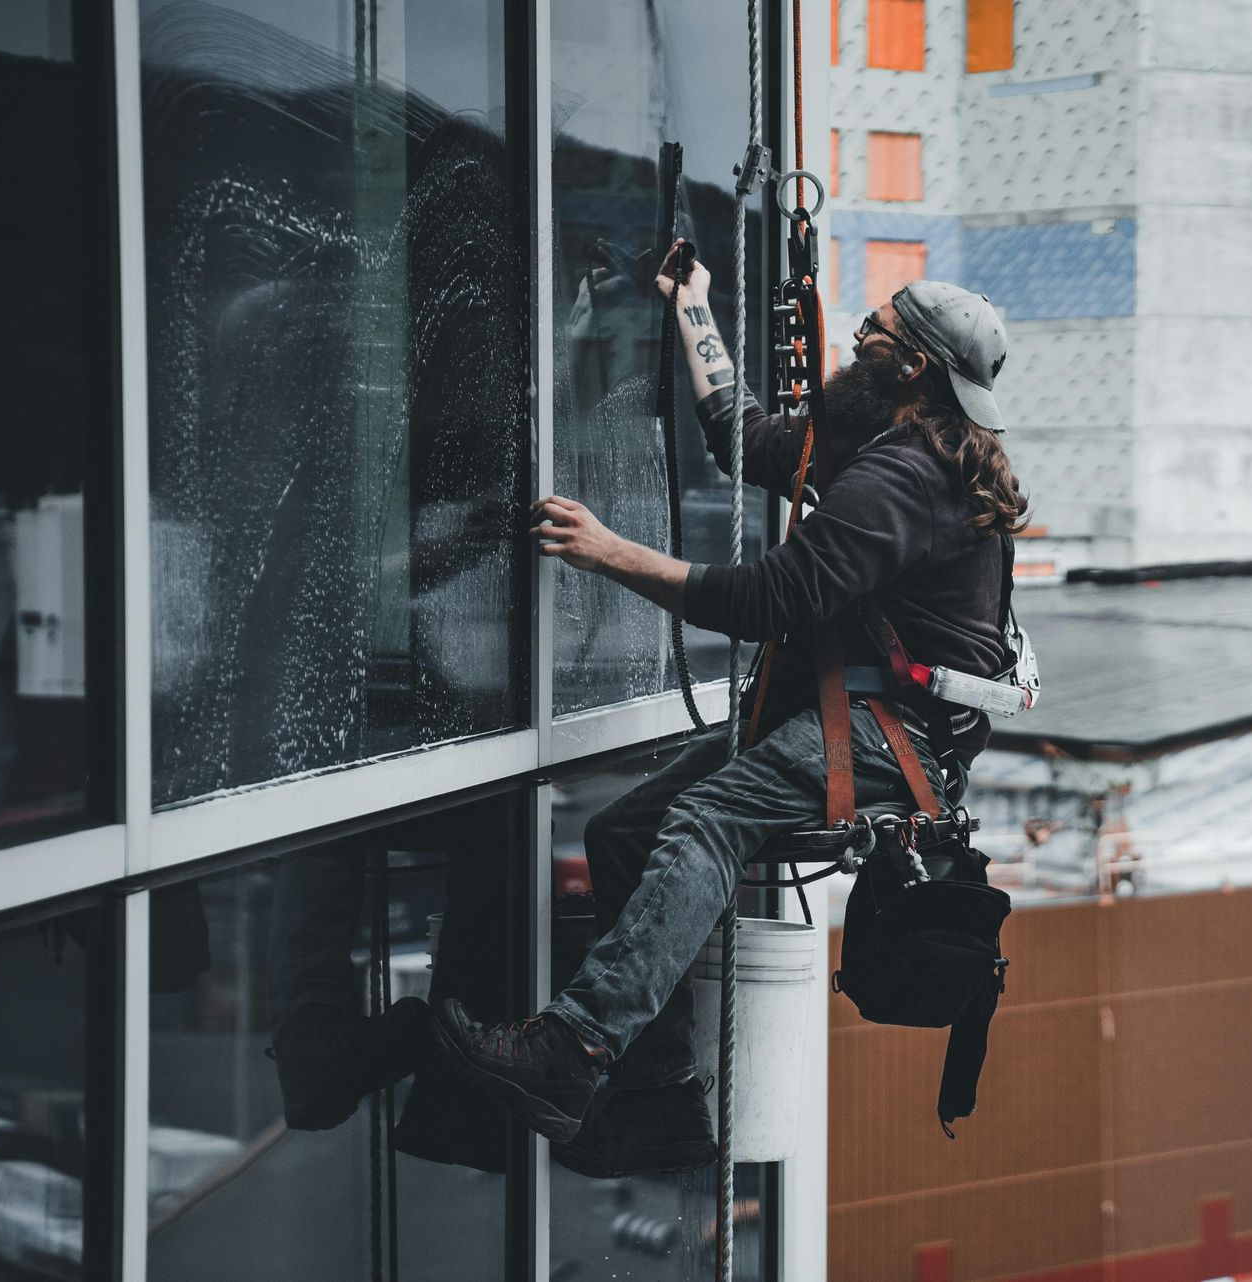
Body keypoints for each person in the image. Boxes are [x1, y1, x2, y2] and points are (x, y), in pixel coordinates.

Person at [429, 246, 1026, 1177]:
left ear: (910, 367)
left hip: (887, 738)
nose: (860, 334)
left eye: (879, 329)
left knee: (706, 816)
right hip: (874, 722)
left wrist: (607, 553)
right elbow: (741, 438)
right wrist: (692, 308)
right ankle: (661, 1103)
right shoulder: (884, 448)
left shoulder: (905, 479)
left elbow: (763, 602)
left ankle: (574, 1049)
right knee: (628, 831)